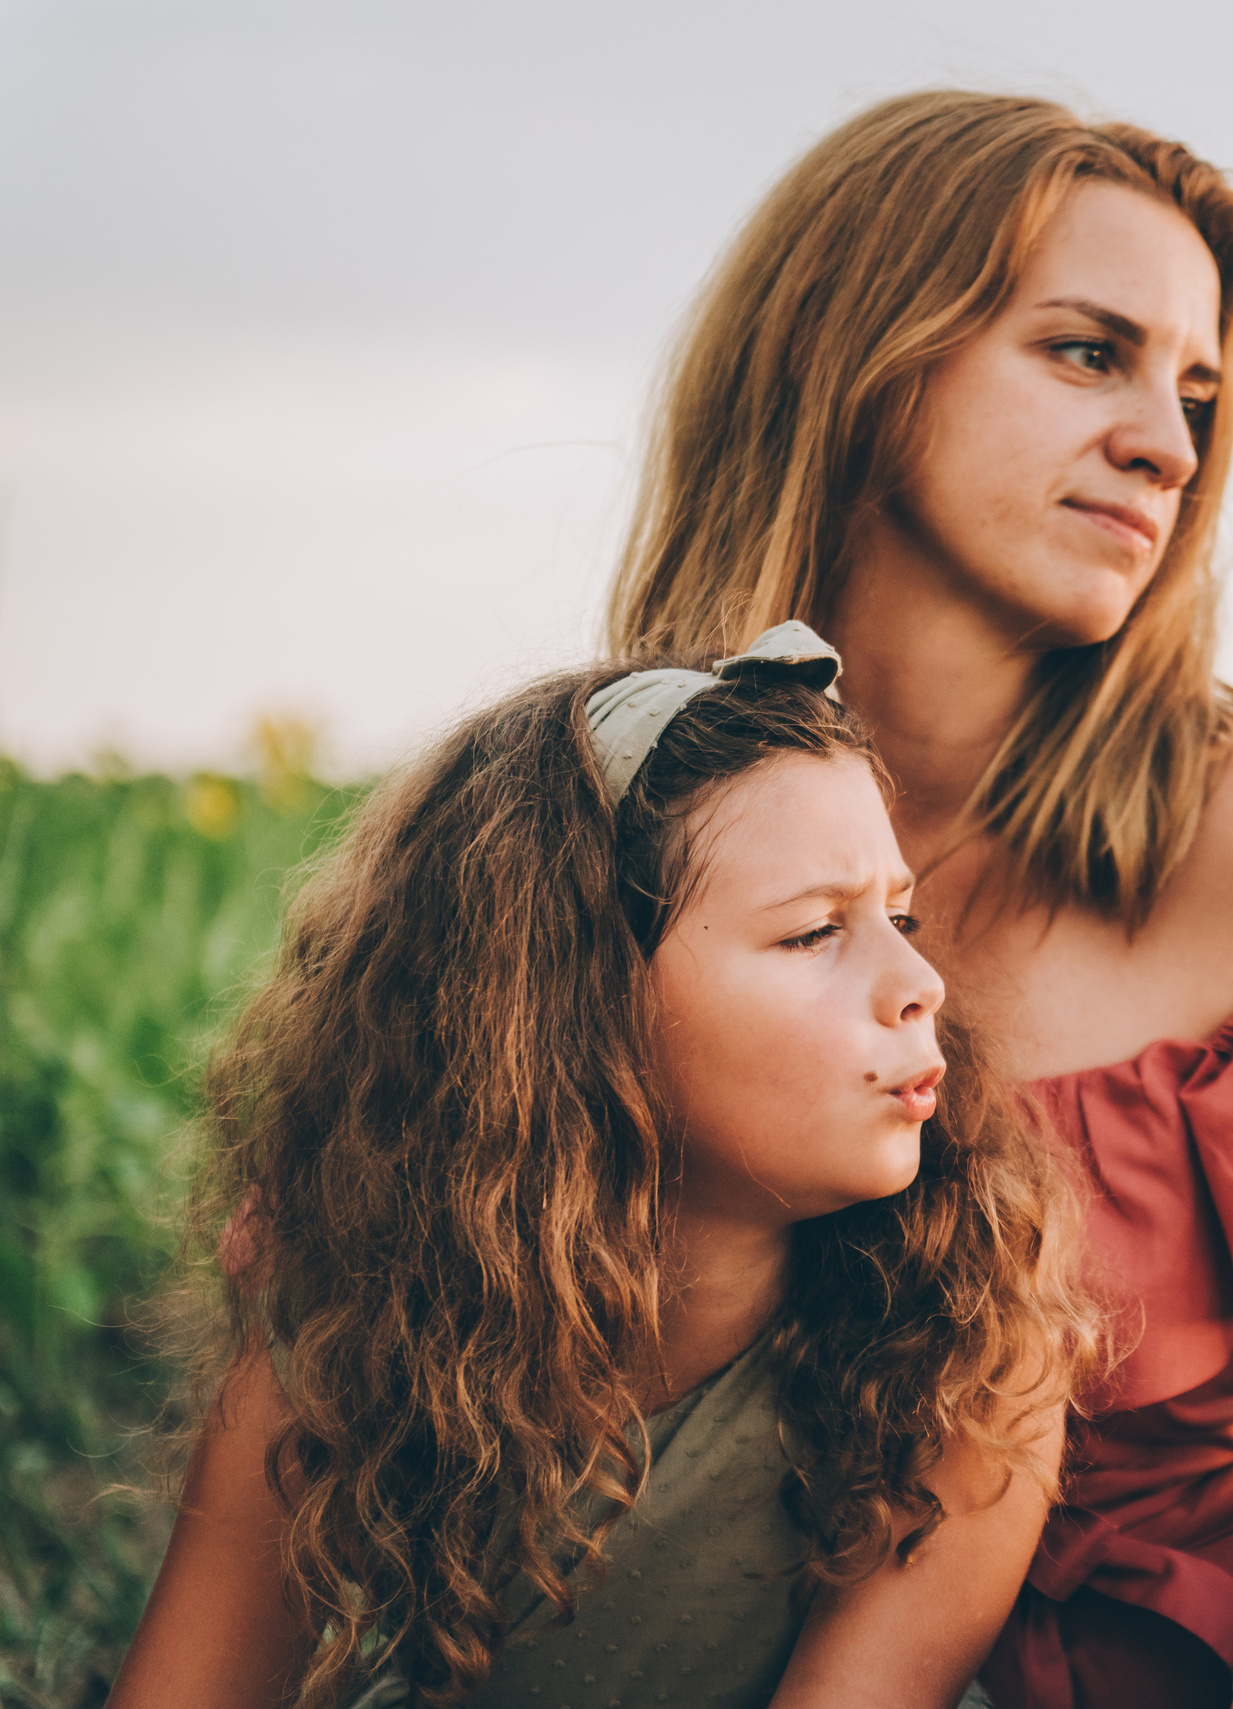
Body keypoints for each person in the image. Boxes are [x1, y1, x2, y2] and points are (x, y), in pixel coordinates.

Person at [609, 92, 1233, 1709]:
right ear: (861, 351)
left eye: (1196, 392)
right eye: (1086, 351)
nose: (1168, 446)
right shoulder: (605, 816)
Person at [110, 625, 1100, 1709]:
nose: (919, 978)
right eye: (816, 933)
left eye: (899, 916)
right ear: (577, 1007)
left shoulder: (964, 1354)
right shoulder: (357, 1314)